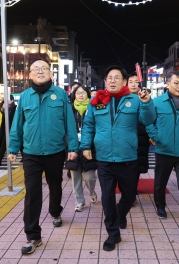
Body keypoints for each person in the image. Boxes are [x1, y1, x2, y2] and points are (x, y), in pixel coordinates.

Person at [8, 58, 79, 255]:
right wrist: (13, 148)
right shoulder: (25, 97)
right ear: (30, 74)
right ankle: (33, 236)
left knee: (55, 186)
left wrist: (73, 147)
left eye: (44, 68)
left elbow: (70, 123)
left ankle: (55, 211)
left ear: (51, 73)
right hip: (30, 153)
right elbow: (18, 126)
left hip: (55, 152)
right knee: (32, 193)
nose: (40, 72)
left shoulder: (60, 95)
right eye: (35, 69)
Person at [80, 65, 155, 251]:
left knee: (129, 197)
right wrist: (85, 145)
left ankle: (121, 215)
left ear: (124, 81)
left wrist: (146, 103)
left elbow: (148, 119)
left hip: (128, 158)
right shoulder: (97, 100)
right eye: (109, 78)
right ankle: (113, 233)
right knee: (107, 198)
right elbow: (88, 125)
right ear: (105, 82)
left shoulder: (135, 99)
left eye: (116, 78)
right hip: (104, 159)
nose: (112, 81)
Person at [146, 70, 179, 237]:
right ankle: (160, 205)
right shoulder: (157, 102)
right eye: (176, 83)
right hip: (164, 150)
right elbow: (148, 121)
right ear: (168, 84)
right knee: (160, 183)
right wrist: (155, 136)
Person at [68, 84, 97, 212]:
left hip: (89, 147)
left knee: (90, 176)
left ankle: (91, 192)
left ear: (88, 95)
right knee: (75, 177)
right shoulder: (69, 109)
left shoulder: (93, 108)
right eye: (78, 92)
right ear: (74, 95)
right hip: (73, 147)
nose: (80, 95)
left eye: (83, 92)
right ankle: (80, 201)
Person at [127, 72, 150, 204]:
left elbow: (151, 116)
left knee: (136, 166)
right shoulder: (123, 98)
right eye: (131, 81)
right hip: (126, 137)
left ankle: (132, 190)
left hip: (142, 137)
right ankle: (129, 191)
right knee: (127, 166)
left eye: (136, 81)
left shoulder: (145, 98)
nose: (134, 84)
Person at [0, 96, 16, 166]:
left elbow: (10, 118)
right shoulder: (9, 108)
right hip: (6, 130)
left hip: (10, 130)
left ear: (12, 100)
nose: (5, 103)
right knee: (3, 145)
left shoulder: (13, 108)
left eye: (7, 101)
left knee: (4, 145)